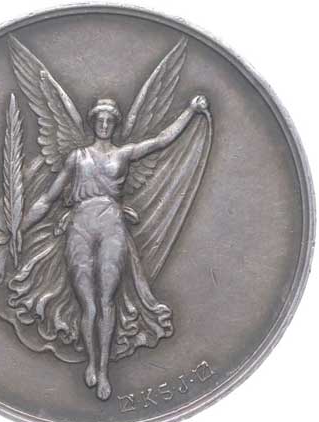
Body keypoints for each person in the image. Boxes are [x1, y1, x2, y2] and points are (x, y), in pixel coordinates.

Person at [18, 95, 208, 400]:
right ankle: (91, 362)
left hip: (112, 226)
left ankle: (104, 370)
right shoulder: (77, 157)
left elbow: (162, 140)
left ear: (115, 124)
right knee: (88, 304)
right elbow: (47, 198)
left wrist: (190, 110)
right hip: (80, 225)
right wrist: (20, 228)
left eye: (109, 120)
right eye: (100, 119)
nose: (104, 124)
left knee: (107, 299)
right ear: (93, 122)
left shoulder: (124, 154)